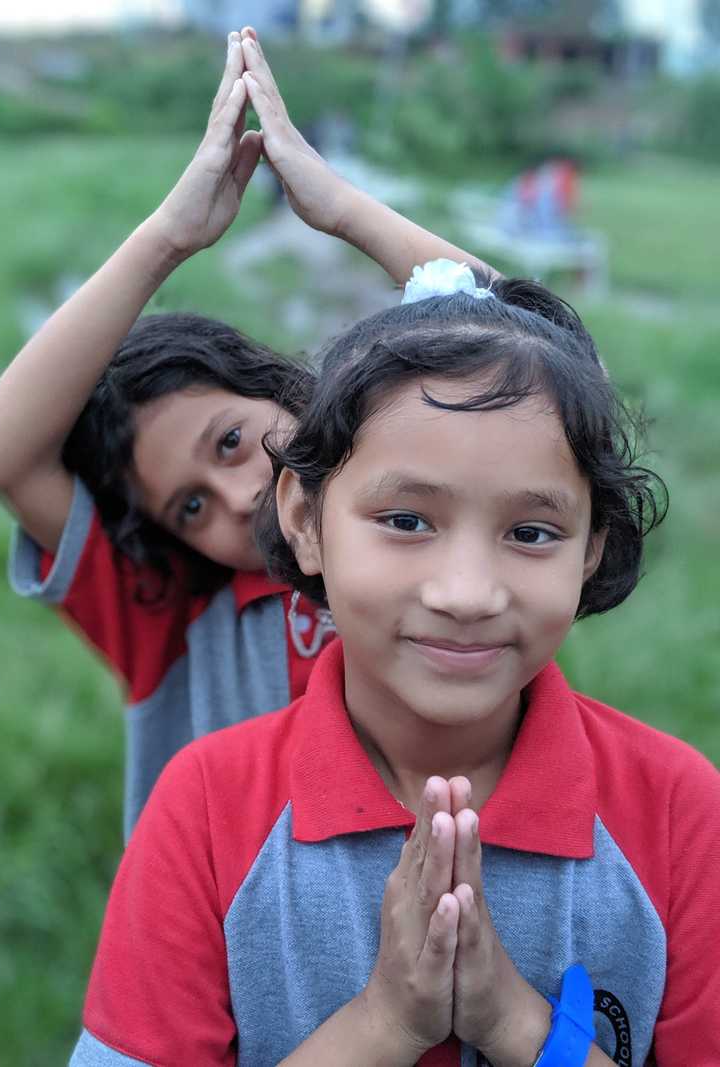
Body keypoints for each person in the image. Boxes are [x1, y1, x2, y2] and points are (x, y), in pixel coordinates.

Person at [68, 260, 719, 1066]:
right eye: (408, 518)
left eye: (532, 532)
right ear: (304, 516)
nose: (467, 592)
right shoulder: (203, 811)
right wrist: (385, 1024)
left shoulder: (679, 811)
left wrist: (519, 1024)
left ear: (592, 549)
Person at [0, 29, 497, 837]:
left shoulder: (416, 526)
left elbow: (526, 350)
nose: (241, 495)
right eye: (189, 509)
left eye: (231, 441)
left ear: (284, 391)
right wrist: (167, 236)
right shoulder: (169, 619)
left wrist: (339, 206)